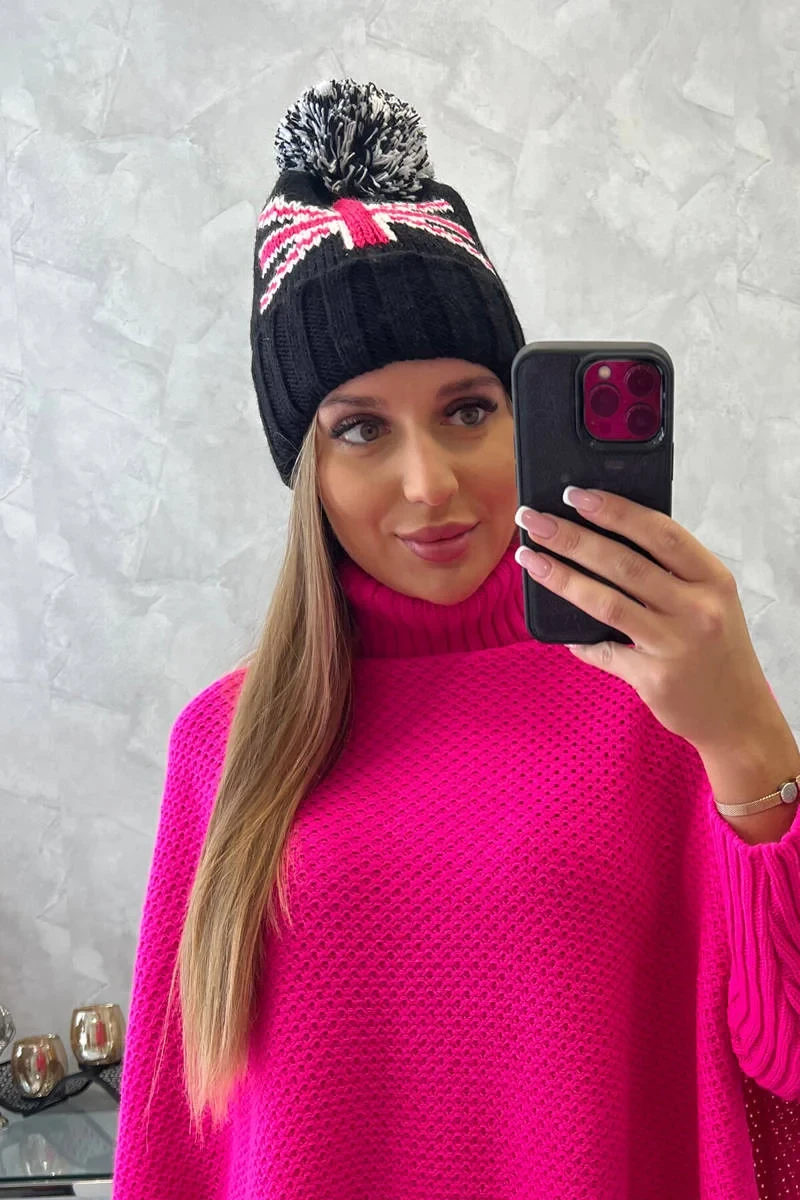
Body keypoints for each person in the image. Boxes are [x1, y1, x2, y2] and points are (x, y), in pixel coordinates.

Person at [111, 79, 800, 1200]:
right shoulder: (222, 748)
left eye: (467, 410)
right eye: (360, 429)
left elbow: (782, 1065)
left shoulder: (658, 699)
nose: (427, 483)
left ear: (522, 417)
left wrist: (749, 741)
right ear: (305, 471)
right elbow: (172, 1149)